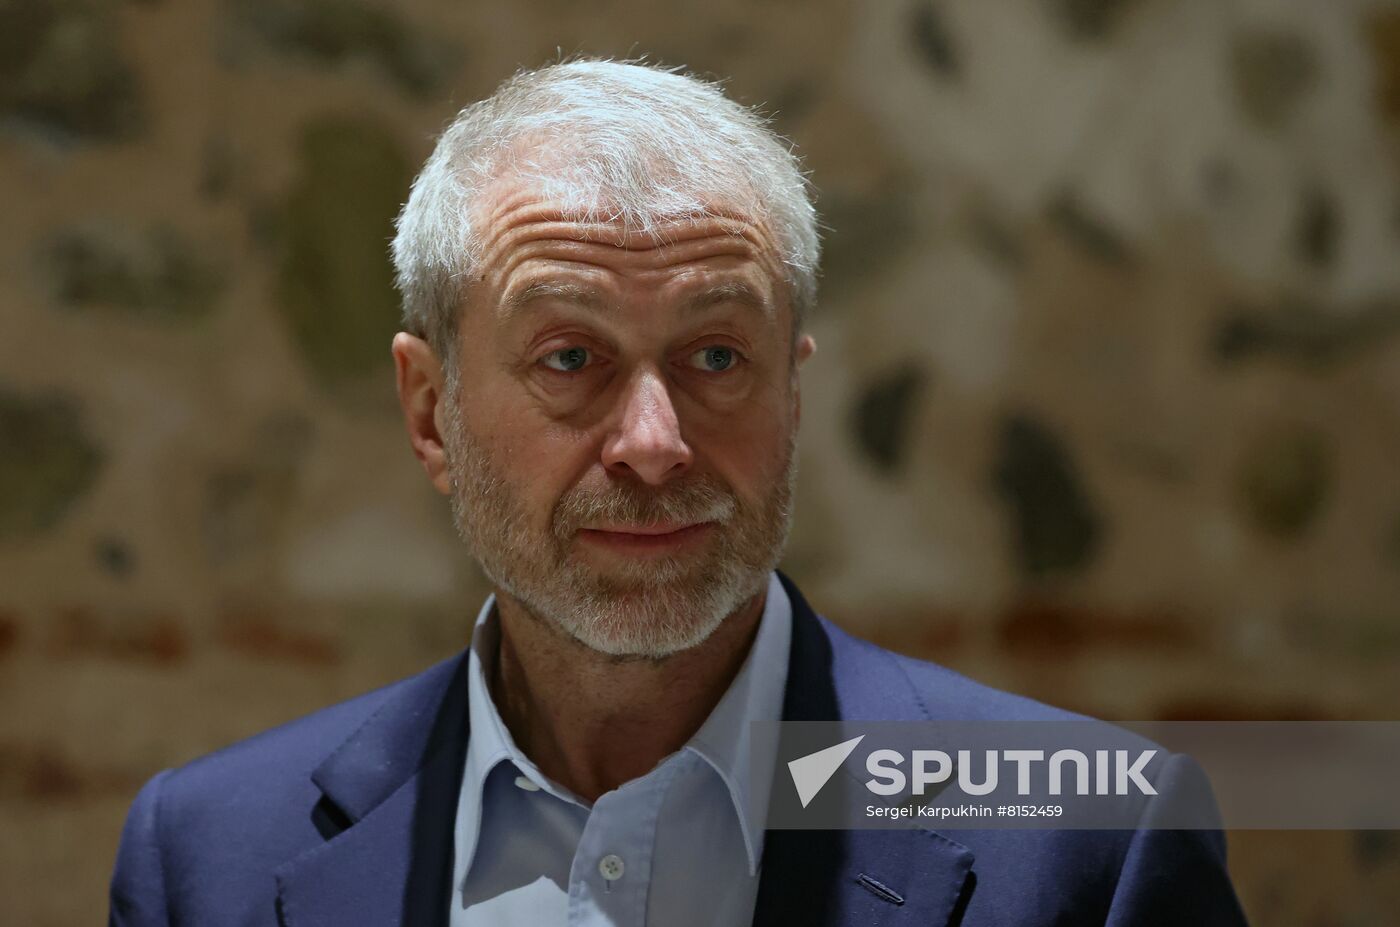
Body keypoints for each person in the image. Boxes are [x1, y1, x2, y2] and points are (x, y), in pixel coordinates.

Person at [108, 60, 1247, 926]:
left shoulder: (1091, 843)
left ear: (791, 396)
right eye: (569, 358)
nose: (654, 445)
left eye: (715, 356)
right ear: (429, 413)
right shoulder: (203, 862)